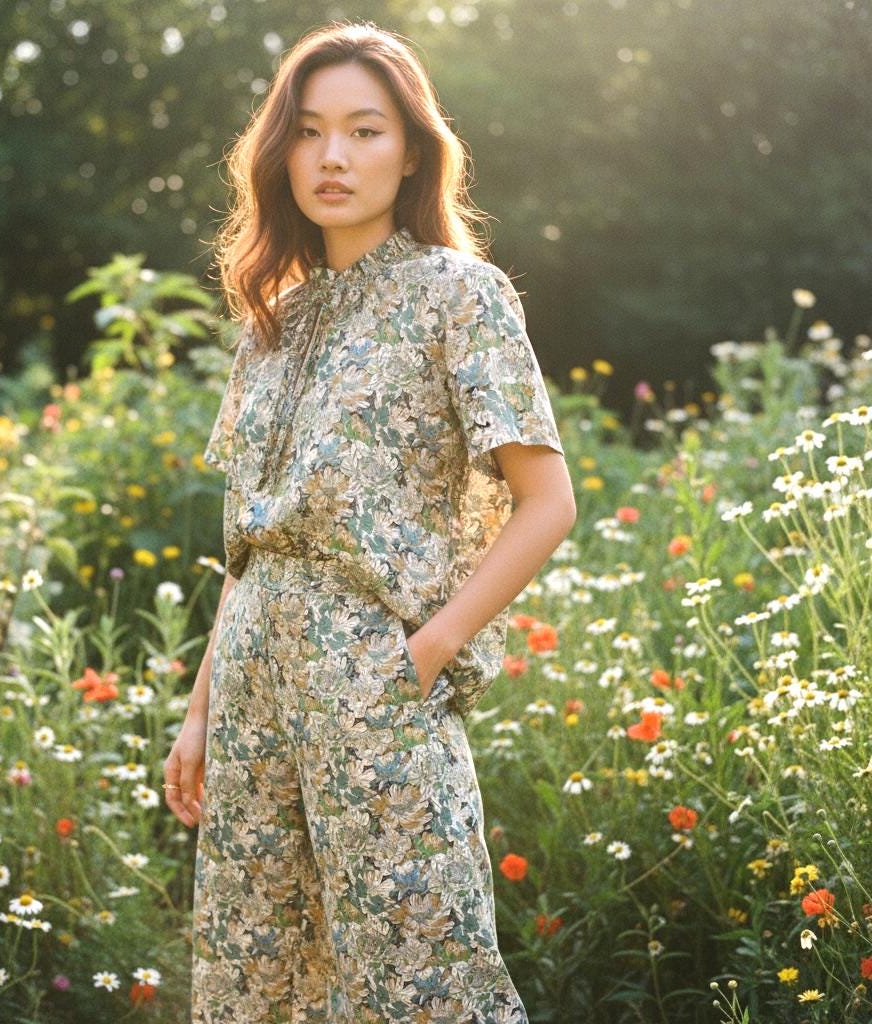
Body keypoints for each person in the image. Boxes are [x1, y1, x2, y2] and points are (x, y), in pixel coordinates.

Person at [164, 19, 577, 1024]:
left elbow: (548, 501)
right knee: (253, 970)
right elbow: (252, 545)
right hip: (255, 676)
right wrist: (200, 708)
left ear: (412, 150)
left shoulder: (458, 295)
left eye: (364, 129)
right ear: (282, 151)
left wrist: (425, 653)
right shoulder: (272, 319)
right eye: (309, 132)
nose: (334, 157)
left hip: (372, 678)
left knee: (420, 969)